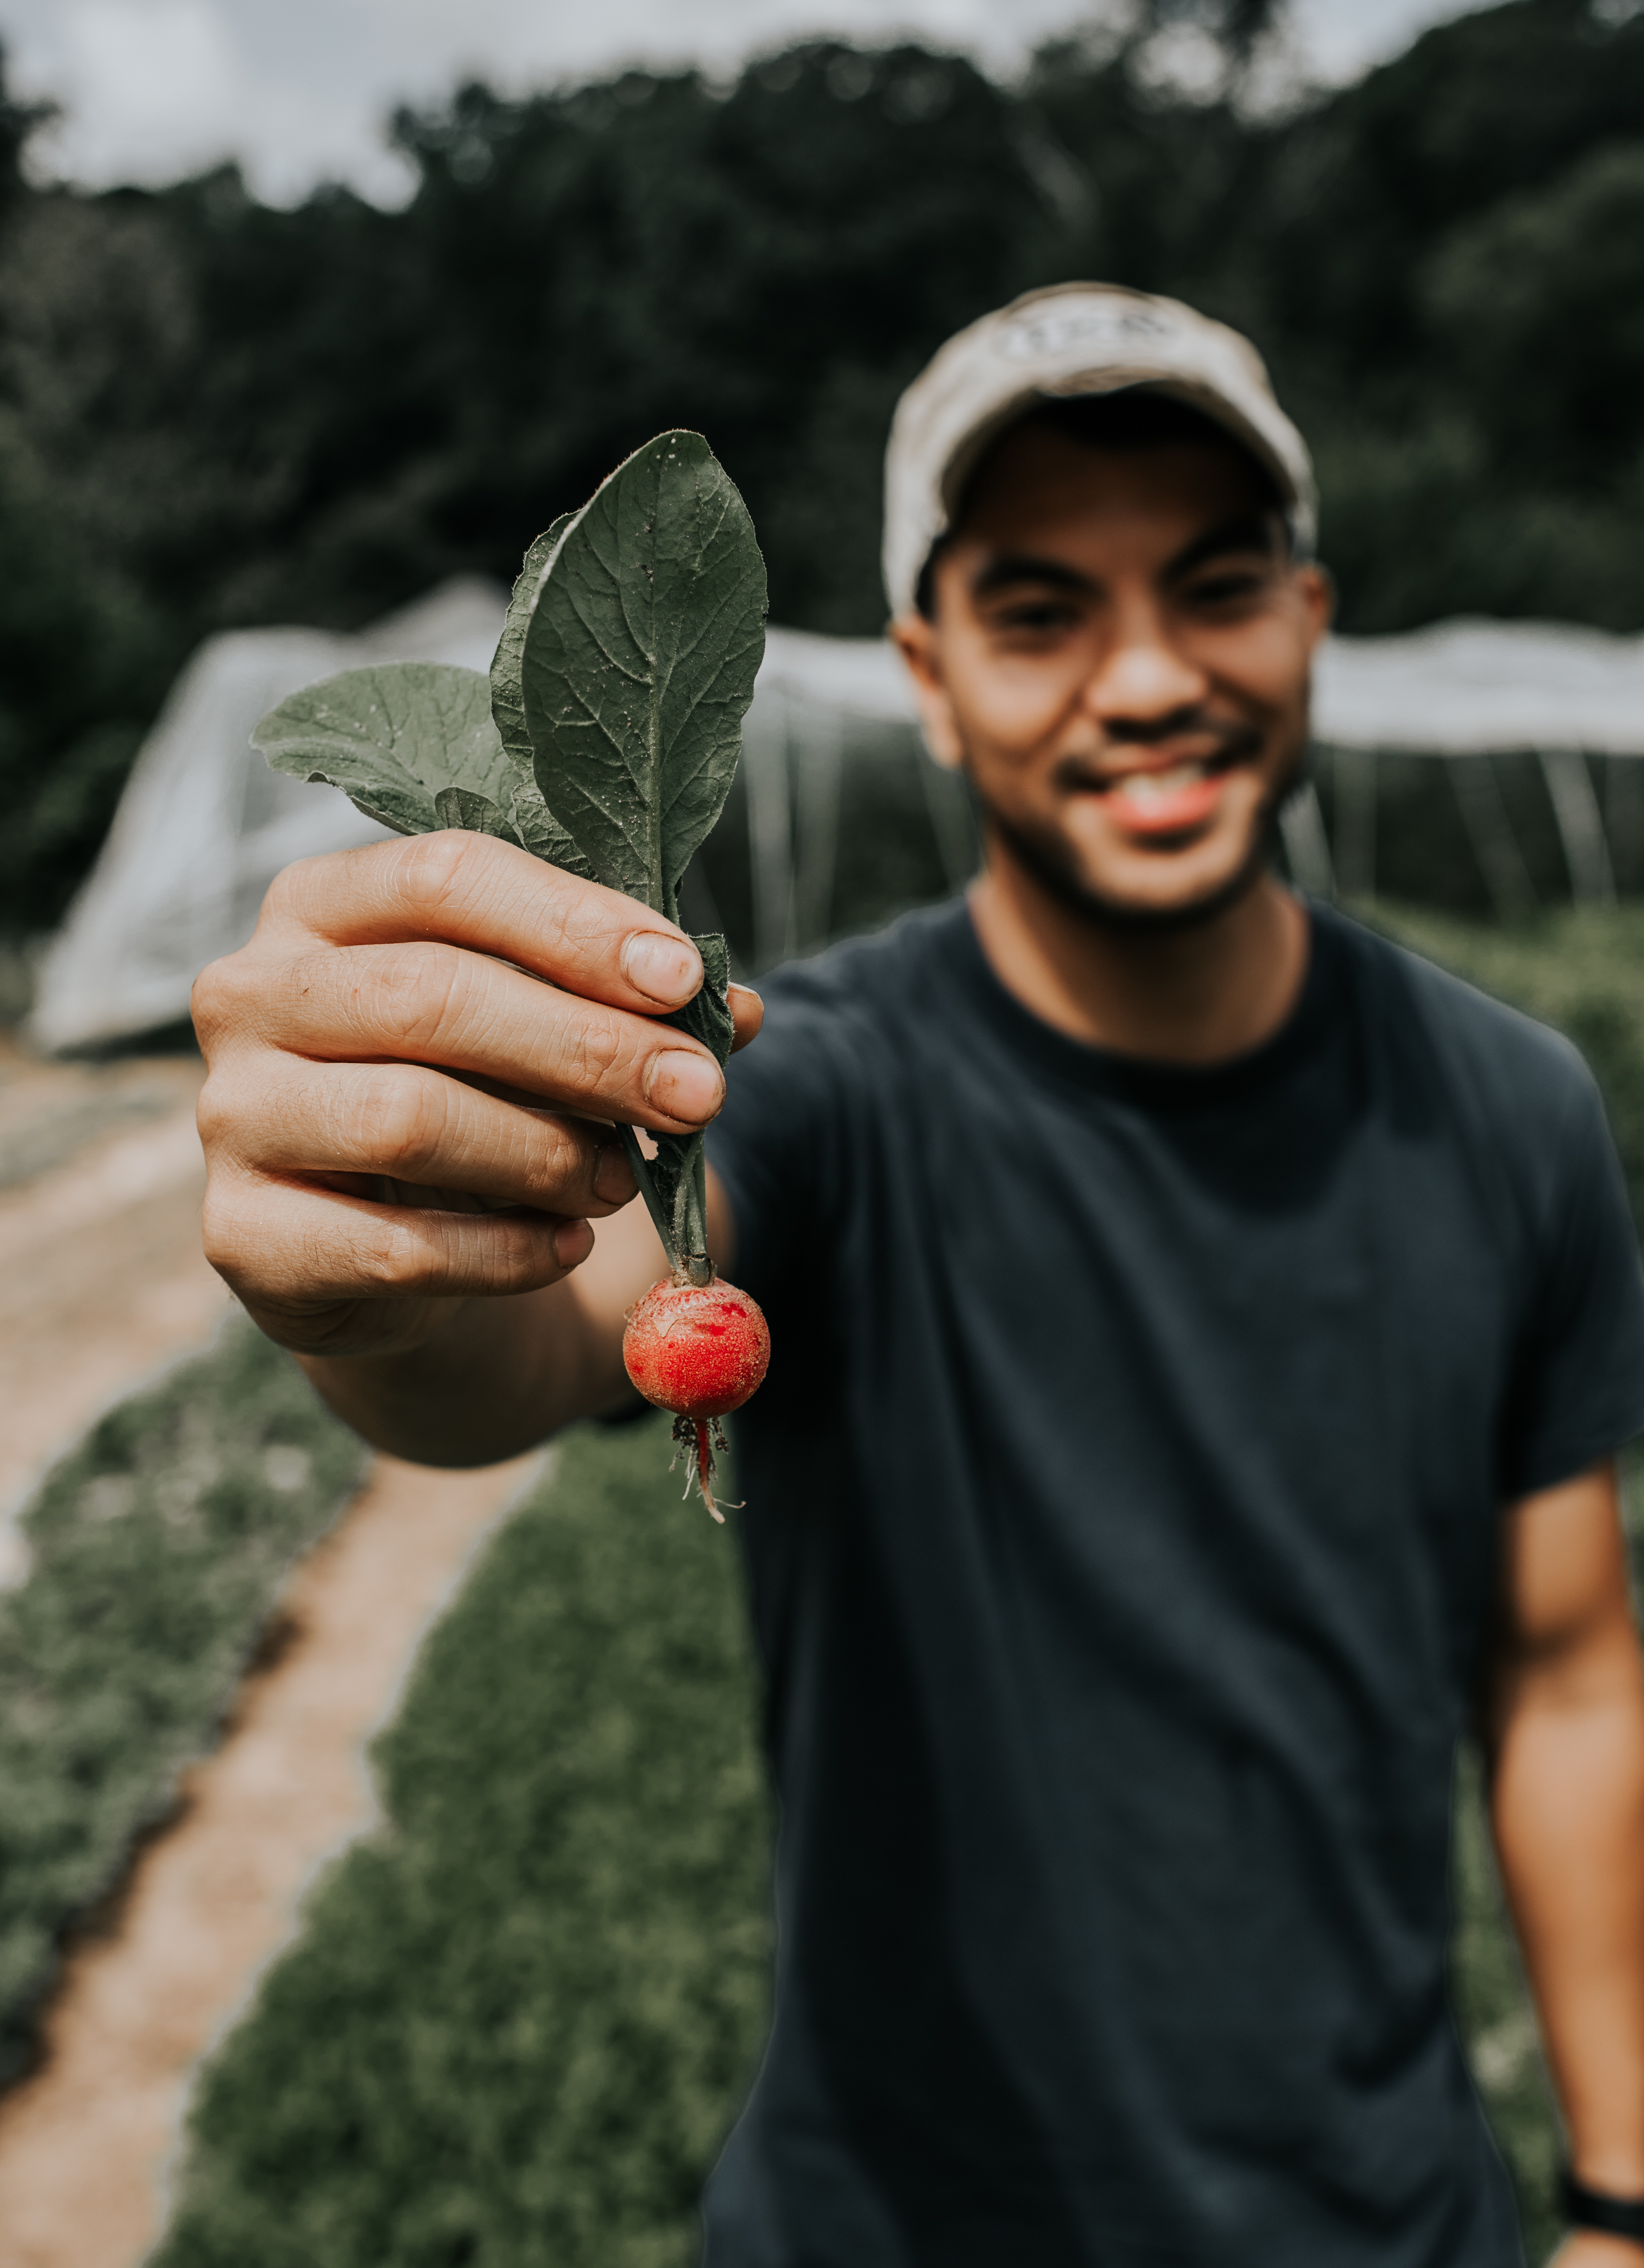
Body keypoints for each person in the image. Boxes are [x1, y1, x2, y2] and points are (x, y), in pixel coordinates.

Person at [194, 282, 1644, 2267]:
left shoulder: (1509, 1108)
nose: (1143, 677)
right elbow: (523, 1343)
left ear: (1309, 622)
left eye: (1216, 585)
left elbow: (1565, 1669)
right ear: (928, 674)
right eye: (1040, 610)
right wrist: (376, 1277)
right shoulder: (816, 1087)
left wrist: (1622, 2190)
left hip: (1384, 2220)